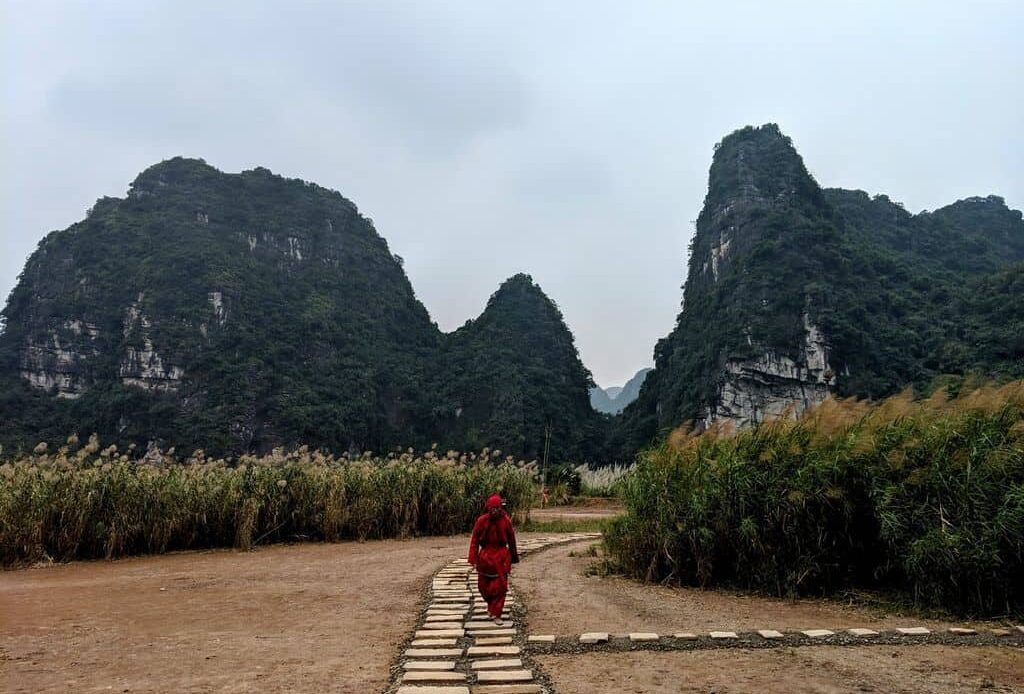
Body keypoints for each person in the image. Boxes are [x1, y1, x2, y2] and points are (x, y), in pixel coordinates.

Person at [467, 494, 519, 625]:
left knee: (500, 588)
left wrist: (513, 557)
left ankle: (496, 613)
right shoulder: (481, 521)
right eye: (492, 508)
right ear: (488, 508)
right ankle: (491, 606)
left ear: (501, 508)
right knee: (483, 587)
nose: (495, 511)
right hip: (485, 558)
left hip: (501, 558)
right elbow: (474, 540)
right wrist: (473, 558)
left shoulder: (506, 521)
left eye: (497, 508)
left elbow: (512, 540)